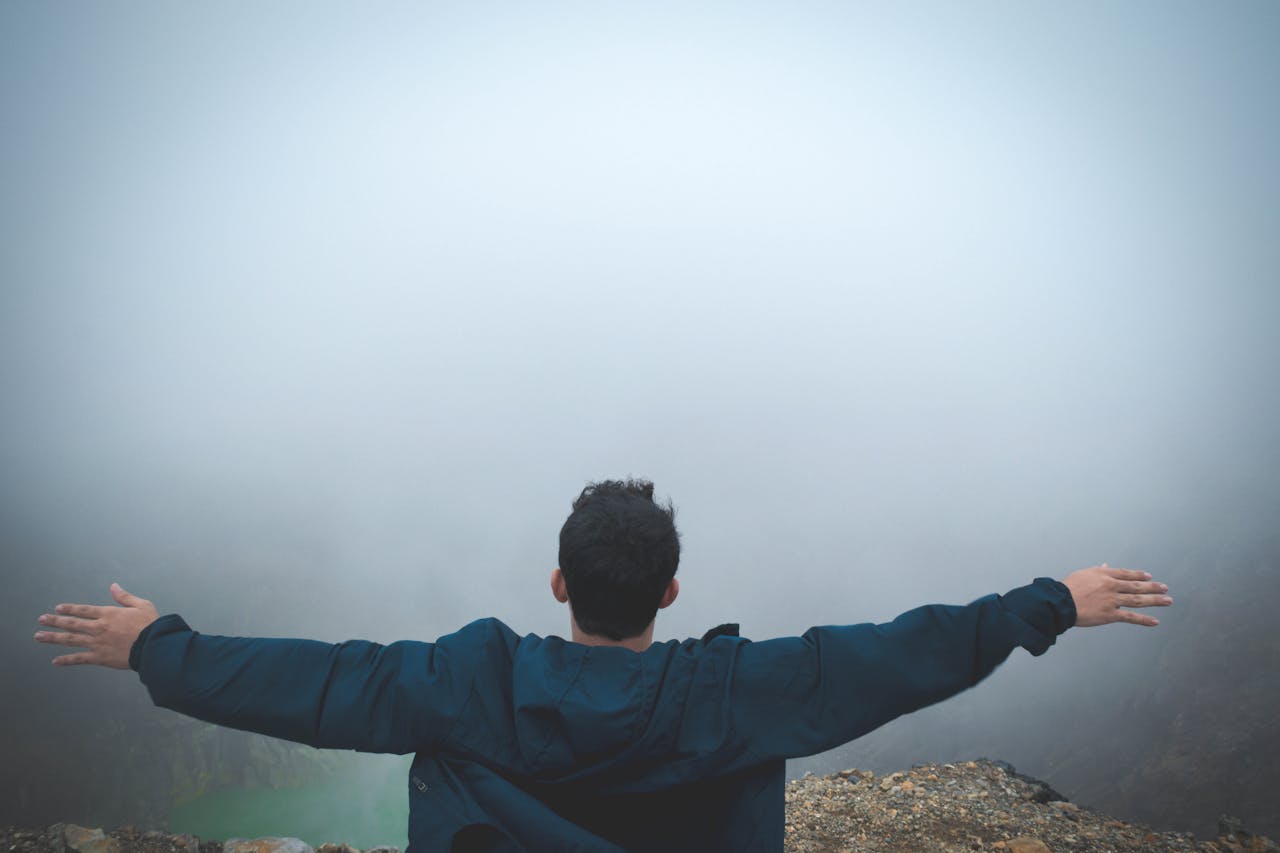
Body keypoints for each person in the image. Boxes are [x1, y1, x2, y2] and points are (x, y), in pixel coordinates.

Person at [33, 478, 1172, 852]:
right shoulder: (736, 691)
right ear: (671, 592)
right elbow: (897, 656)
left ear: (557, 583)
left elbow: (321, 682)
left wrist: (159, 650)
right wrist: (1047, 605)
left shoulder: (466, 680)